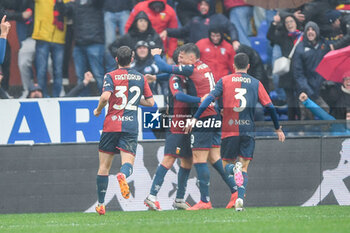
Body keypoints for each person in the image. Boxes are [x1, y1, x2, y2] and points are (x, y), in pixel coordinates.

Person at [186, 53, 285, 211]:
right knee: (244, 167)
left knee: (226, 166)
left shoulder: (224, 80)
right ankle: (239, 199)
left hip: (229, 130)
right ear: (248, 66)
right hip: (248, 130)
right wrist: (277, 128)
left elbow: (208, 99)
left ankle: (234, 172)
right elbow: (270, 107)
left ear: (233, 65)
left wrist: (196, 118)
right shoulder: (256, 83)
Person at [152, 44, 238, 210]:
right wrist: (155, 79)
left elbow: (164, 67)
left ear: (192, 58)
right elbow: (172, 75)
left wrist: (156, 54)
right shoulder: (204, 67)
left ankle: (205, 201)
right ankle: (235, 191)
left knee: (199, 159)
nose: (180, 60)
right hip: (214, 113)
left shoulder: (192, 68)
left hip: (203, 115)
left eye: (182, 57)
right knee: (214, 158)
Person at [93, 46, 155, 215]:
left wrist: (98, 110)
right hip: (130, 126)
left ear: (116, 60)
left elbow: (105, 97)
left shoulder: (110, 76)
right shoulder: (141, 78)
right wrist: (133, 102)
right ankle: (122, 175)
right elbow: (151, 103)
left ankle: (100, 204)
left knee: (104, 167)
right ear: (132, 59)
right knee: (128, 163)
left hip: (111, 125)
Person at [144, 46, 198, 210]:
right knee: (169, 158)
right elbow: (177, 93)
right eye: (179, 58)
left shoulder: (183, 74)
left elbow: (165, 74)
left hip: (187, 122)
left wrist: (155, 77)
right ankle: (151, 196)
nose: (181, 60)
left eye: (183, 57)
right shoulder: (176, 77)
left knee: (187, 160)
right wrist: (201, 99)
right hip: (177, 122)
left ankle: (179, 199)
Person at [58, 0, 105, 96]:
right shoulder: (74, 4)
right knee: (81, 77)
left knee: (98, 75)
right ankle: (83, 99)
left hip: (94, 43)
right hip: (79, 45)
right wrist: (59, 2)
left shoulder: (96, 3)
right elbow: (63, 11)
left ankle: (106, 100)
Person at [161, 0, 239, 50]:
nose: (202, 7)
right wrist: (167, 32)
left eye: (205, 5)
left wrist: (235, 40)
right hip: (196, 55)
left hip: (215, 53)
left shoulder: (219, 18)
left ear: (210, 6)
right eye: (201, 5)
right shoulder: (195, 20)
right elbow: (182, 32)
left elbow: (231, 28)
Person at [267, 13, 303, 120]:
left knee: (300, 100)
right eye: (287, 22)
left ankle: (302, 124)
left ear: (296, 22)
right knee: (291, 101)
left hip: (299, 74)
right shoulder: (283, 37)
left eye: (291, 21)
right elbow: (270, 36)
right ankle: (292, 125)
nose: (289, 24)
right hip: (287, 75)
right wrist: (274, 23)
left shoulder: (302, 37)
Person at [32, 0, 70, 97]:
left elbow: (70, 11)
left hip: (59, 38)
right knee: (41, 70)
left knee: (58, 71)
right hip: (42, 37)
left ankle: (56, 96)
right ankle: (43, 95)